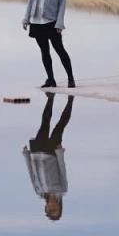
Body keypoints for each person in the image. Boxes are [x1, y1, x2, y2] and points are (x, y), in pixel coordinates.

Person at [22, 0, 75, 89]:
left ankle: (70, 78)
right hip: (36, 22)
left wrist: (59, 23)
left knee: (60, 50)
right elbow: (31, 1)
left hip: (51, 23)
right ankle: (51, 79)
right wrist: (26, 19)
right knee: (44, 52)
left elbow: (62, 5)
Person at [23, 93, 73, 221]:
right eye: (55, 209)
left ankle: (51, 98)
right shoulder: (62, 190)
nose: (52, 207)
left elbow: (31, 175)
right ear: (59, 206)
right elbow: (62, 171)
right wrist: (60, 153)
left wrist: (26, 156)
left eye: (50, 210)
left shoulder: (39, 191)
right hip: (51, 153)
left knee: (44, 123)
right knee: (60, 126)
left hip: (36, 154)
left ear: (45, 208)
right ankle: (70, 100)